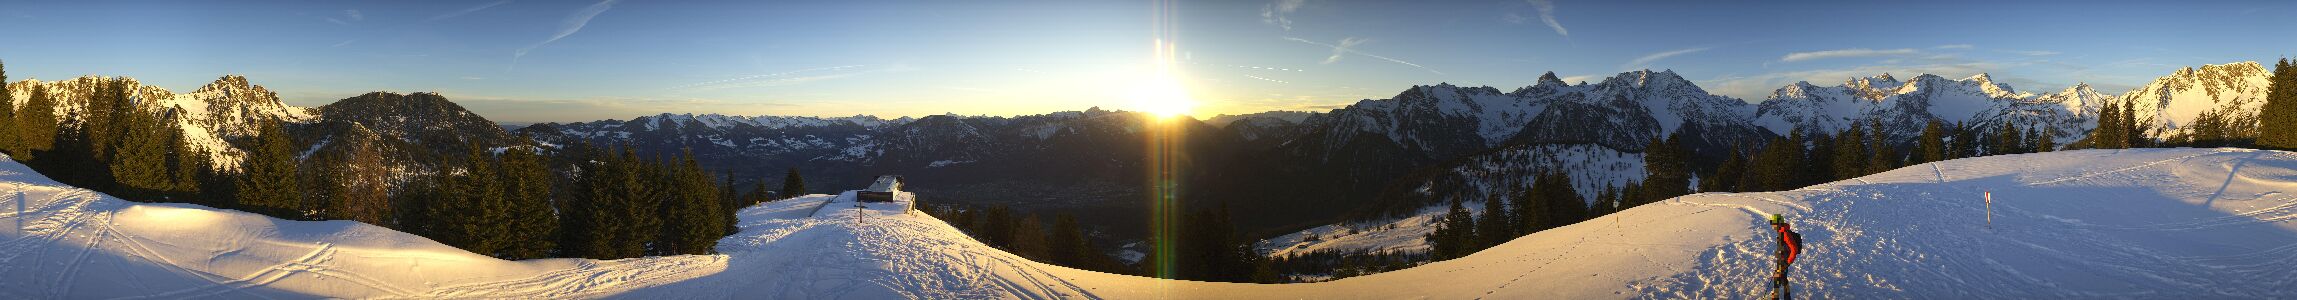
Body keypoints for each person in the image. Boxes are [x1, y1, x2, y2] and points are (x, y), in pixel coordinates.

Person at [1769, 214, 1803, 300]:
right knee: (1782, 278)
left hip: (1784, 261)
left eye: (1773, 223)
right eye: (1771, 222)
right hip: (1782, 260)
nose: (1772, 225)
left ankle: (1776, 297)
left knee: (1778, 277)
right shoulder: (1781, 232)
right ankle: (1786, 297)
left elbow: (1794, 249)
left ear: (1779, 223)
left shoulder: (1785, 234)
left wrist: (1788, 262)